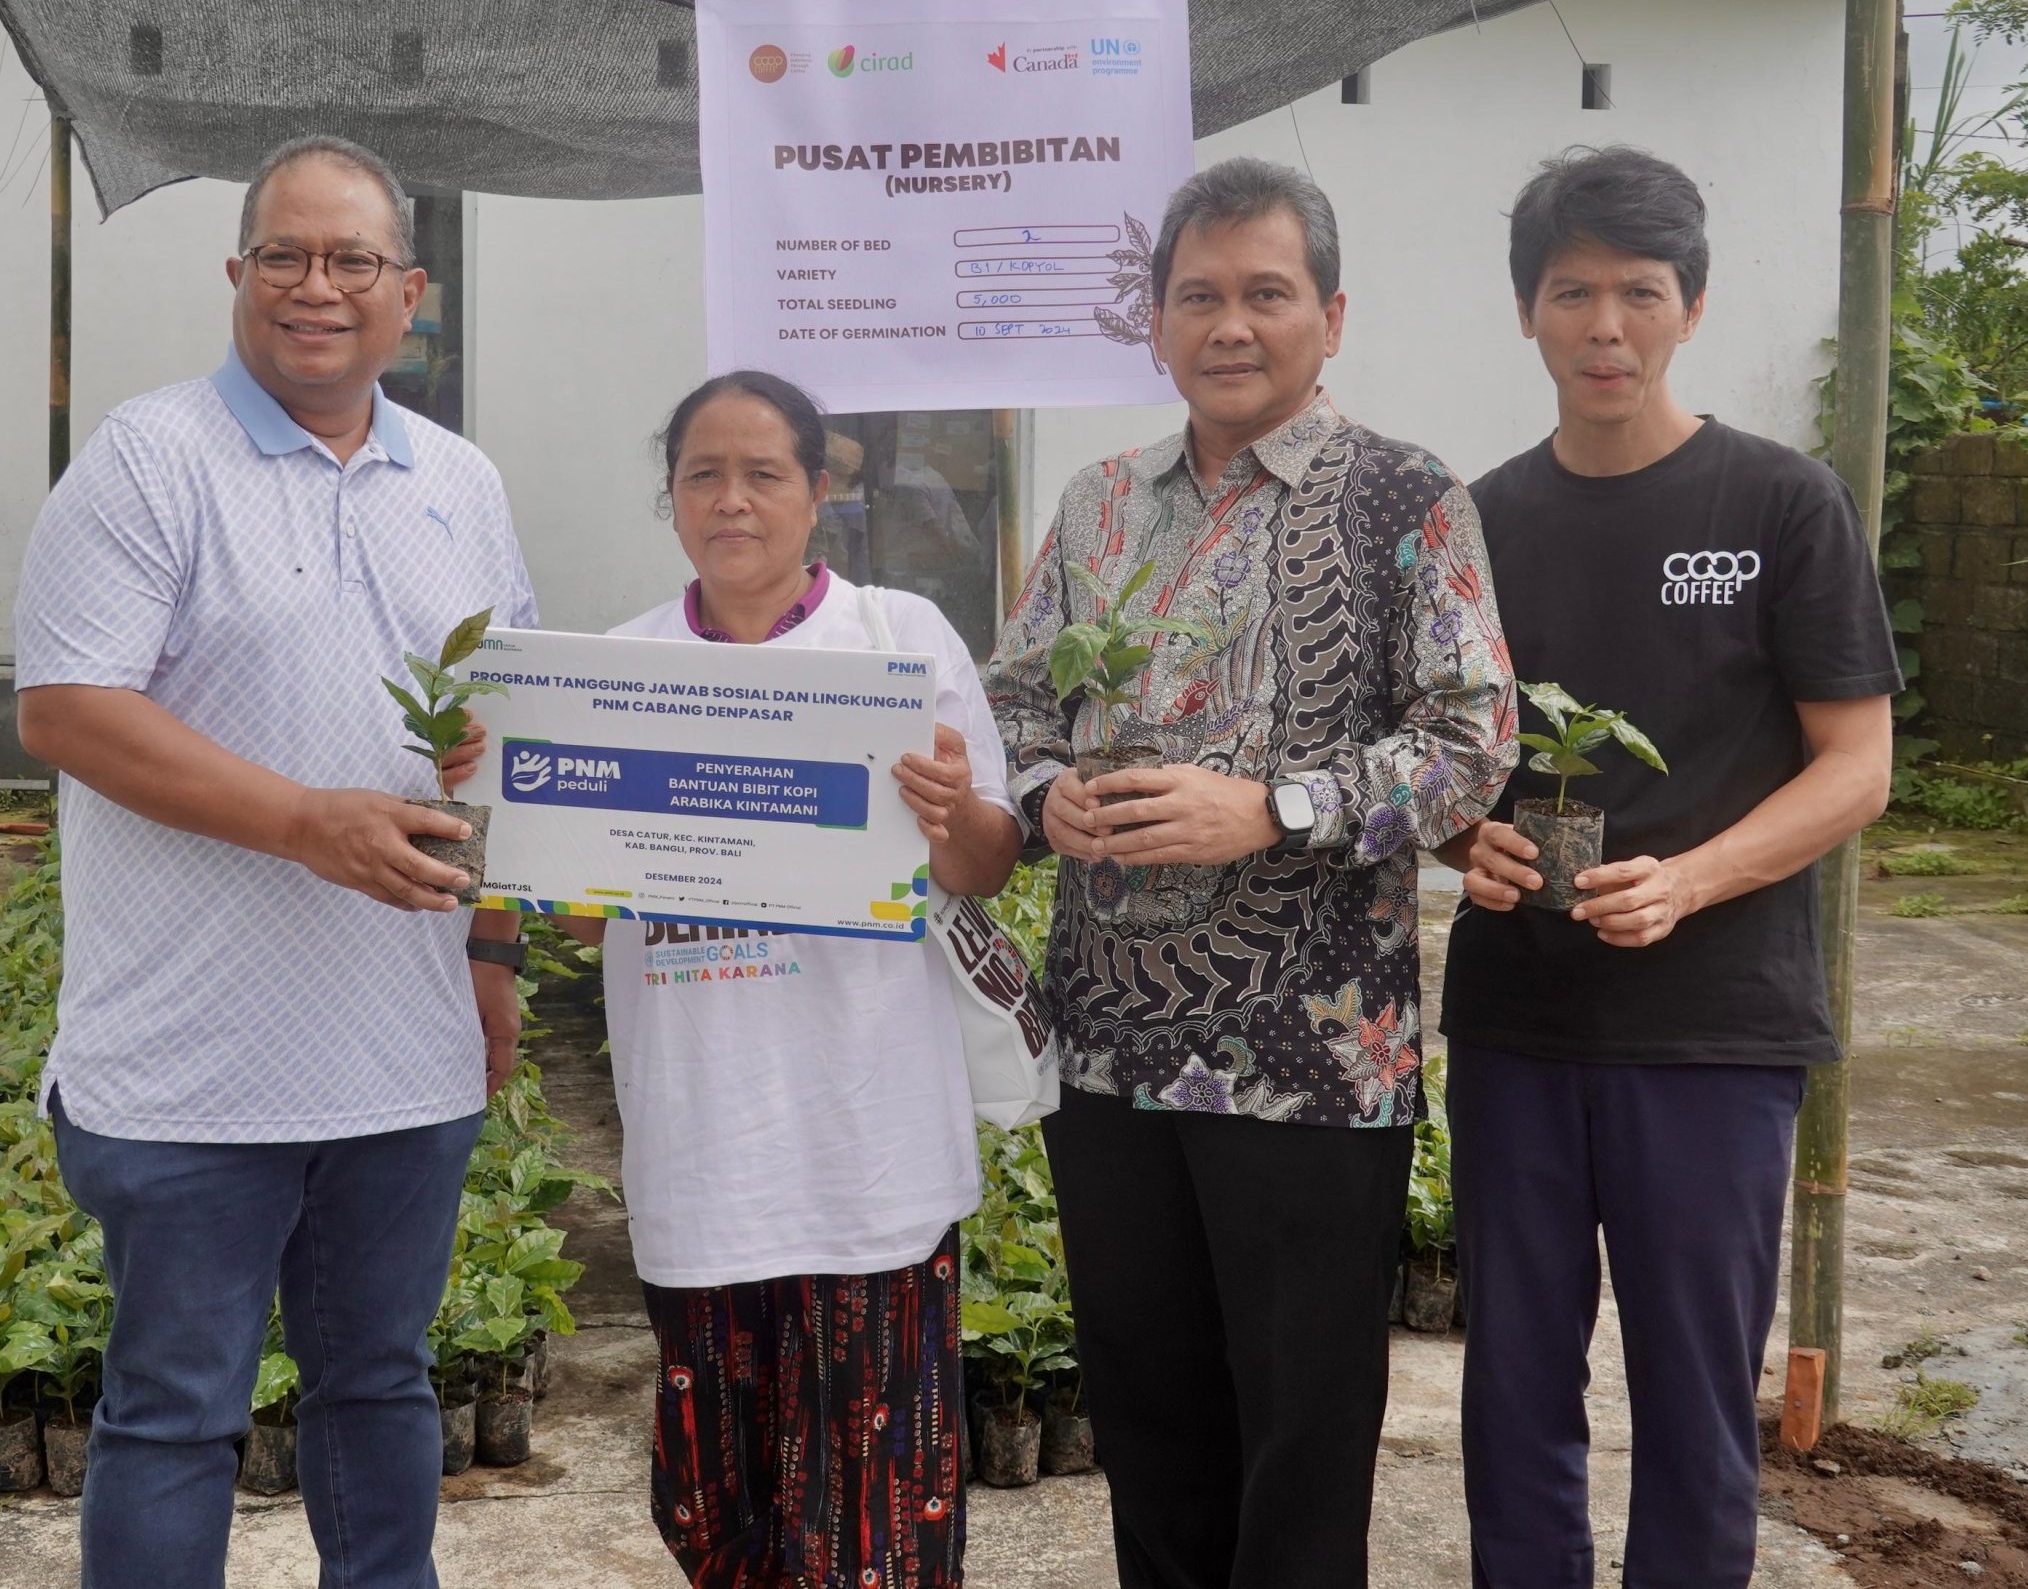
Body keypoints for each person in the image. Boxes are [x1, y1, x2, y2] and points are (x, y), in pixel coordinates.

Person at [15, 135, 540, 1588]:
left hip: (401, 1050)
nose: (319, 287)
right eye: (286, 257)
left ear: (409, 290)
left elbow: (517, 739)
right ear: (238, 275)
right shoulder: (150, 455)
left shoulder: (461, 482)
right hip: (191, 1062)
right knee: (177, 1412)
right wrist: (310, 820)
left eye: (353, 259)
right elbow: (67, 704)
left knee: (377, 1384)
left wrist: (492, 953)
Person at [985, 157, 1517, 1586]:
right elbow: (1016, 708)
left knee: (1302, 1442)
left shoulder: (1409, 497)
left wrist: (1270, 806)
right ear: (1154, 322)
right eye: (1199, 295)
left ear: (1330, 315)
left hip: (1309, 1055)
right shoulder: (1098, 506)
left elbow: (1473, 746)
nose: (1232, 324)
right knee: (1147, 1423)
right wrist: (1052, 800)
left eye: (1266, 294)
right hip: (1109, 1050)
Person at [1437, 146, 1899, 1588]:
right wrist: (1469, 836)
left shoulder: (1779, 505)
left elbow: (1857, 765)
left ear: (1690, 305)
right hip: (1518, 1020)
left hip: (1713, 1027)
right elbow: (1438, 753)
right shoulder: (1477, 523)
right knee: (1512, 1379)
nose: (1605, 326)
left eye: (1640, 290)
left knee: (1695, 1396)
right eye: (1572, 291)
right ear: (1527, 311)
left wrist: (1692, 877)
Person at [576, 369, 1022, 1588]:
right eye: (702, 474)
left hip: (867, 1157)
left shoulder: (897, 639)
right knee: (716, 1513)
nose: (733, 501)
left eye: (764, 473)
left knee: (873, 1529)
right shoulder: (617, 668)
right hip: (702, 1155)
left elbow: (987, 860)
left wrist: (948, 813)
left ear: (818, 492)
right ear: (668, 495)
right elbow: (564, 891)